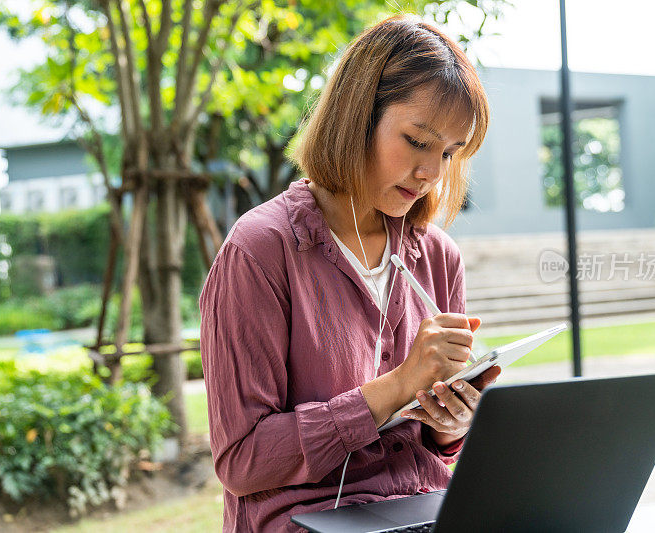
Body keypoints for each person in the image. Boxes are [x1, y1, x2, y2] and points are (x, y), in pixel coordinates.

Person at [199, 14, 499, 532]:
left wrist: (452, 424)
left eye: (450, 153)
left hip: (422, 513)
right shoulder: (261, 251)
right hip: (307, 522)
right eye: (417, 140)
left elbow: (437, 453)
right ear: (358, 116)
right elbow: (242, 461)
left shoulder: (437, 255)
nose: (432, 173)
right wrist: (398, 385)